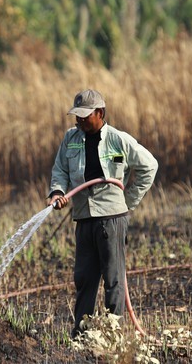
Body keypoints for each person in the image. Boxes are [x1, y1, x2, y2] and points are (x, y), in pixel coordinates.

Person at [47, 89, 158, 338]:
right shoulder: (71, 139)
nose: (80, 121)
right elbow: (60, 171)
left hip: (112, 219)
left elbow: (149, 166)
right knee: (84, 278)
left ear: (100, 113)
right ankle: (81, 334)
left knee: (113, 278)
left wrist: (127, 201)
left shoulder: (119, 140)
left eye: (85, 116)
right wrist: (57, 192)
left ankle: (112, 335)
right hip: (84, 218)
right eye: (77, 116)